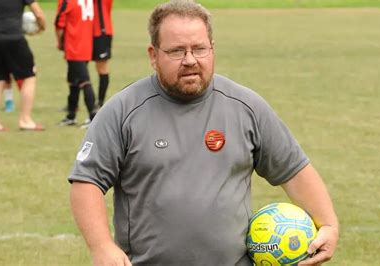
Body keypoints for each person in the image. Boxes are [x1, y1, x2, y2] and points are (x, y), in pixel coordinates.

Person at [68, 1, 339, 265]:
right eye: (176, 51)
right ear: (153, 55)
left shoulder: (246, 107)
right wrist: (101, 246)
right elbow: (87, 182)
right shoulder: (123, 111)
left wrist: (328, 223)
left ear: (212, 49)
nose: (190, 60)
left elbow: (294, 170)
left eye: (199, 49)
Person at [0, 0, 46, 132]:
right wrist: (41, 27)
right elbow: (39, 13)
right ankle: (25, 120)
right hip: (14, 38)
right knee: (29, 77)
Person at [56, 0, 97, 128]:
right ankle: (71, 116)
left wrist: (60, 42)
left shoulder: (67, 1)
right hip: (86, 45)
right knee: (74, 81)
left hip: (74, 46)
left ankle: (93, 118)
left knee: (84, 81)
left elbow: (59, 25)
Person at [92, 0, 113, 109]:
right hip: (85, 30)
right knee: (78, 67)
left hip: (101, 31)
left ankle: (100, 102)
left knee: (102, 68)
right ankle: (73, 103)